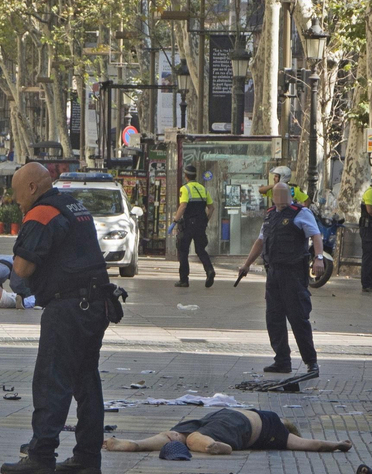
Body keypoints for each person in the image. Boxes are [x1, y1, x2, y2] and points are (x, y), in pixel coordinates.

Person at [0, 162, 111, 474]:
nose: (16, 200)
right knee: (86, 381)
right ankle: (88, 458)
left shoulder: (41, 213)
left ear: (32, 187)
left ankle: (41, 455)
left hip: (68, 307)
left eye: (17, 193)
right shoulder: (73, 205)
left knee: (51, 380)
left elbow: (21, 269)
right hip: (96, 303)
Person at [237, 183, 324, 375]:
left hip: (293, 274)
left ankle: (311, 362)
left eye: (285, 194)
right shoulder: (270, 215)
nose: (282, 198)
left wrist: (319, 258)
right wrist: (247, 264)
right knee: (274, 318)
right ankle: (282, 361)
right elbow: (260, 241)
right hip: (274, 273)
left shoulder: (301, 213)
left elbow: (316, 236)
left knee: (298, 317)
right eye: (278, 195)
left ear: (290, 196)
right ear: (273, 197)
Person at [102, 408, 353, 454]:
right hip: (237, 426)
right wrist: (337, 444)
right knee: (194, 439)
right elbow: (313, 444)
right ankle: (209, 444)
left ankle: (137, 444)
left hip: (220, 414)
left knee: (174, 436)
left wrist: (337, 444)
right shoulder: (279, 433)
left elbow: (312, 443)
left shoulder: (265, 416)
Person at [172, 164, 215, 288]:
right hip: (201, 224)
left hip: (188, 225)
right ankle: (209, 270)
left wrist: (175, 221)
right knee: (200, 249)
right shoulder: (203, 189)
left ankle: (184, 280)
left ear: (185, 176)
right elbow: (211, 208)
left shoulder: (185, 189)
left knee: (183, 250)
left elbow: (183, 206)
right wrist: (205, 220)